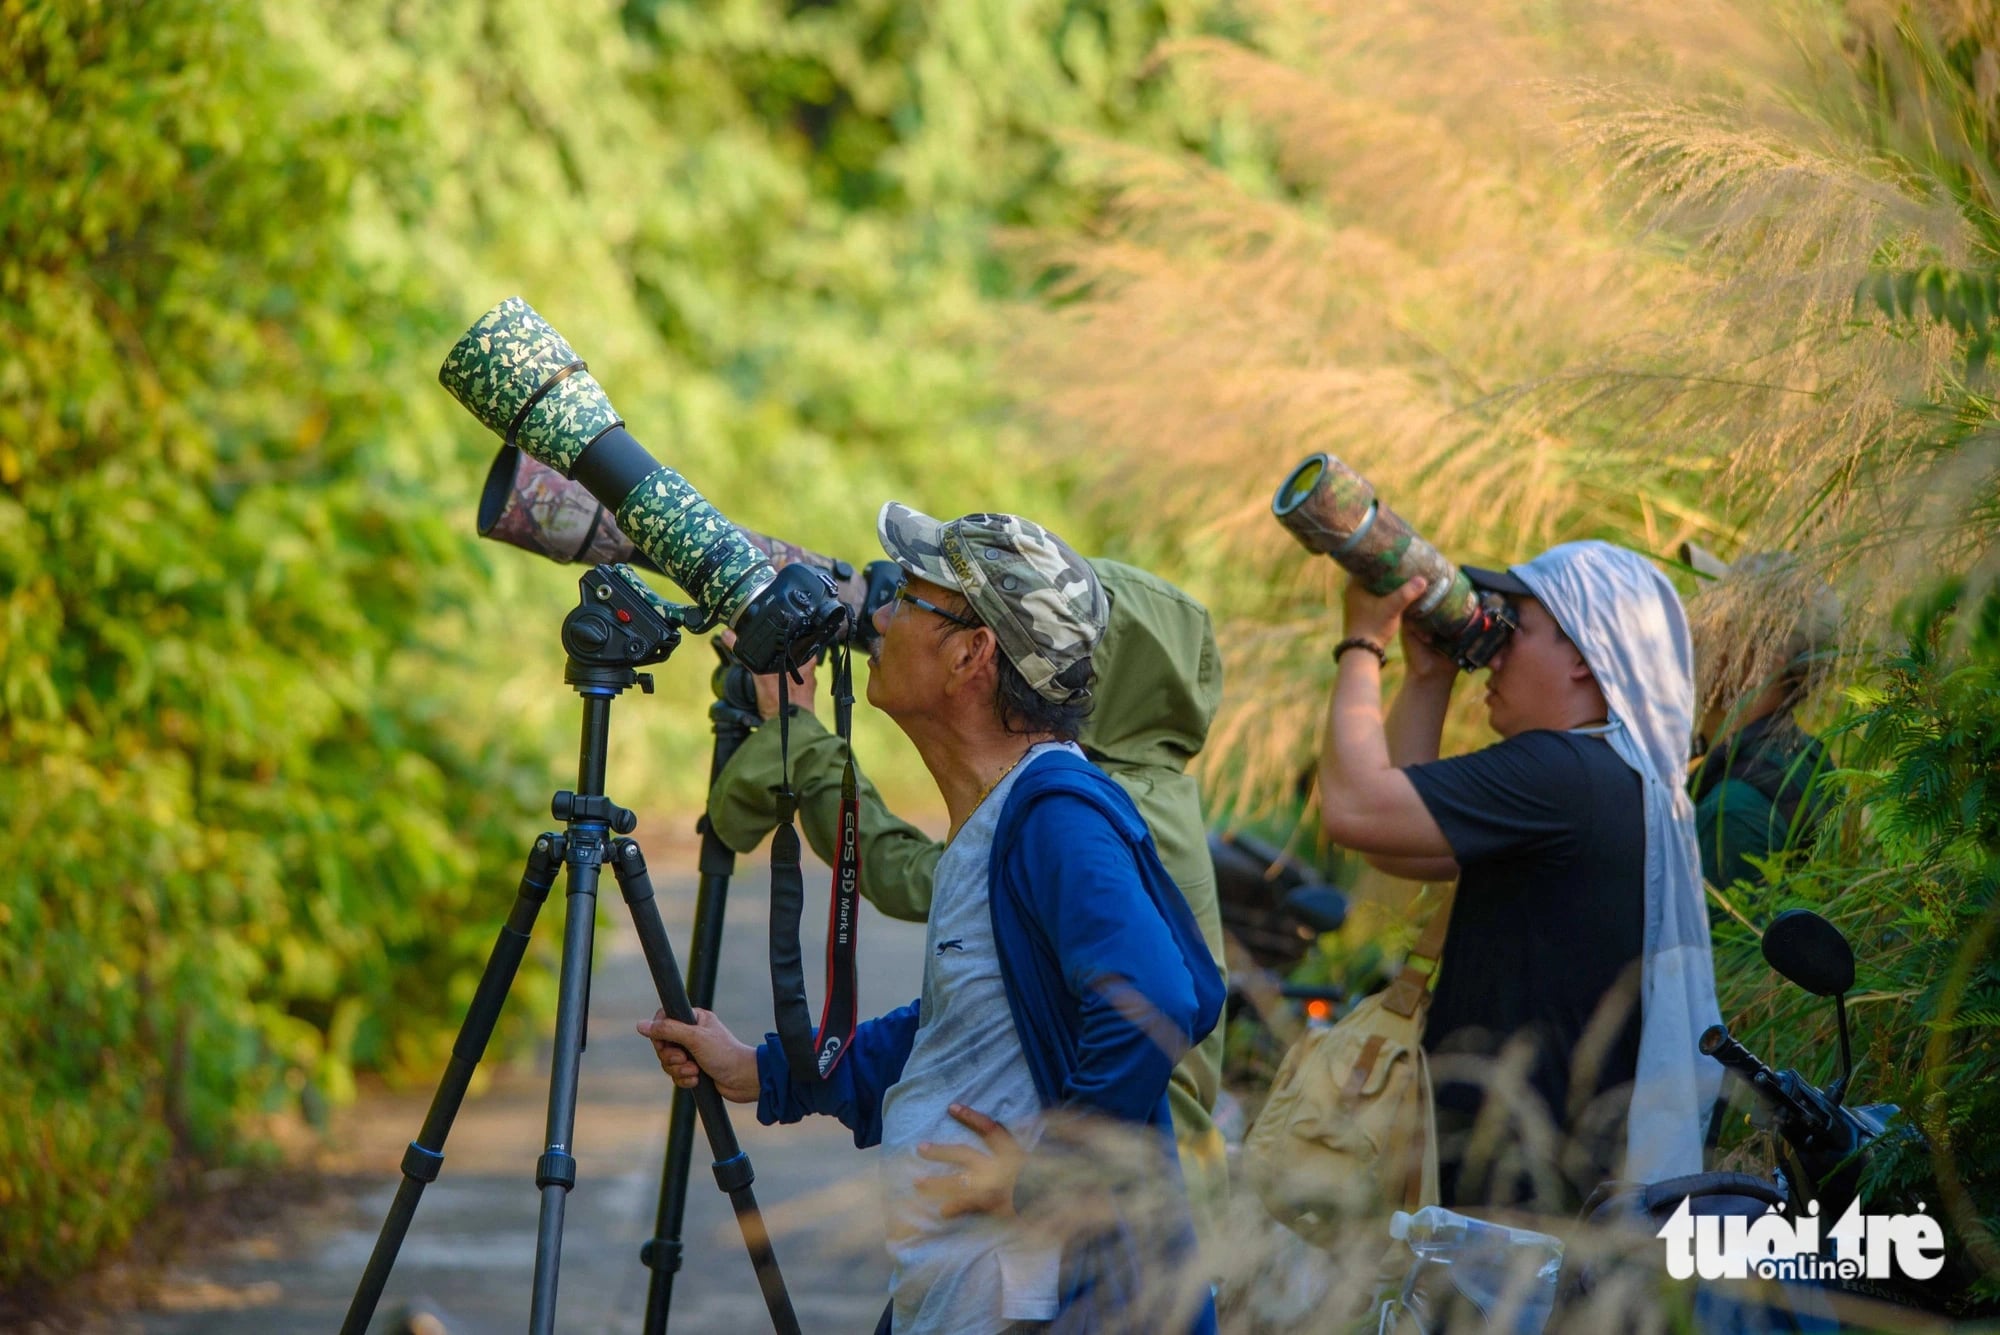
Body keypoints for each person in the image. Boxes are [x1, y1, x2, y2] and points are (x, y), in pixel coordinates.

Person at [639, 505, 1224, 1335]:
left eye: (907, 598)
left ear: (971, 654)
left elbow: (1161, 998)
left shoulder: (1055, 813)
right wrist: (761, 1071)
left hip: (1046, 1305)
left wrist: (1045, 1176)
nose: (876, 617)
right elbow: (957, 1025)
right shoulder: (1002, 816)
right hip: (969, 1296)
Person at [1315, 541, 1722, 1211]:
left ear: (1587, 659)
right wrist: (1427, 678)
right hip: (1547, 1174)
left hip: (1513, 1190)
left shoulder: (1563, 774)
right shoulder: (1609, 779)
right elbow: (1403, 848)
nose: (1493, 652)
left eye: (1517, 628)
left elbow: (1356, 808)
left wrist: (1362, 641)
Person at [1680, 544, 1840, 888]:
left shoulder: (1730, 814)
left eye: (1718, 618)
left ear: (1765, 659)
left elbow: (1718, 942)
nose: (1695, 630)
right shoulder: (1808, 760)